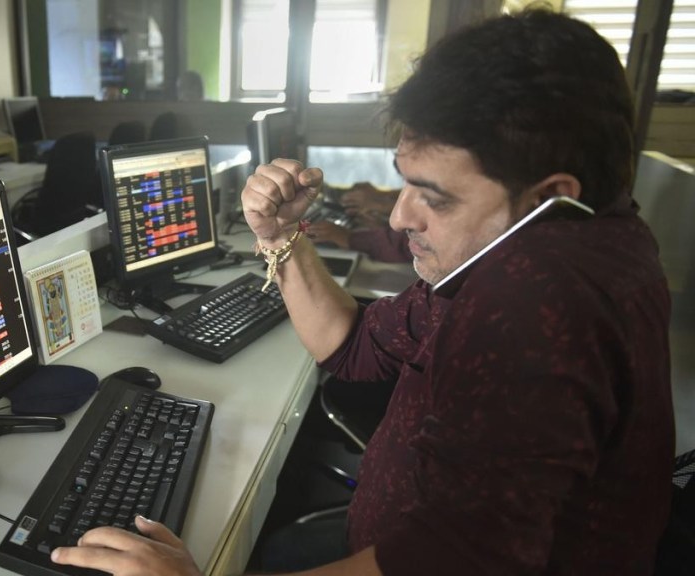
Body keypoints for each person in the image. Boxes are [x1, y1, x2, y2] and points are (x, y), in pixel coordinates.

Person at [50, 7, 675, 575]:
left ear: (550, 198)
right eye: (407, 183)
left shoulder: (537, 304)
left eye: (435, 197)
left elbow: (456, 562)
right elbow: (353, 345)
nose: (400, 217)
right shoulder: (555, 245)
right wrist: (281, 234)